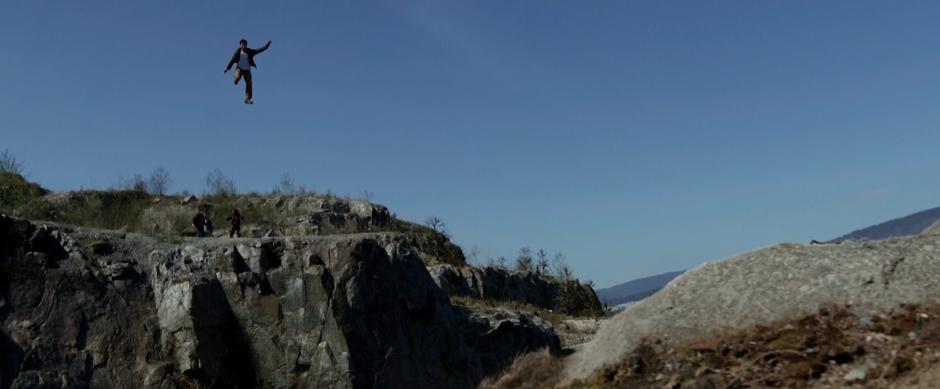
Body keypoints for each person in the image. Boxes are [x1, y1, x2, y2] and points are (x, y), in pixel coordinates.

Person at [224, 38, 272, 104]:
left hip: (247, 70)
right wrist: (227, 68)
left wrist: (267, 45)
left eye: (245, 45)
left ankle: (248, 99)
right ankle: (236, 79)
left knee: (249, 83)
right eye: (242, 45)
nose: (243, 46)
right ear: (240, 45)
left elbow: (259, 50)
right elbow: (232, 60)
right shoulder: (237, 51)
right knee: (237, 77)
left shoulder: (250, 51)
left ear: (246, 45)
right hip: (239, 68)